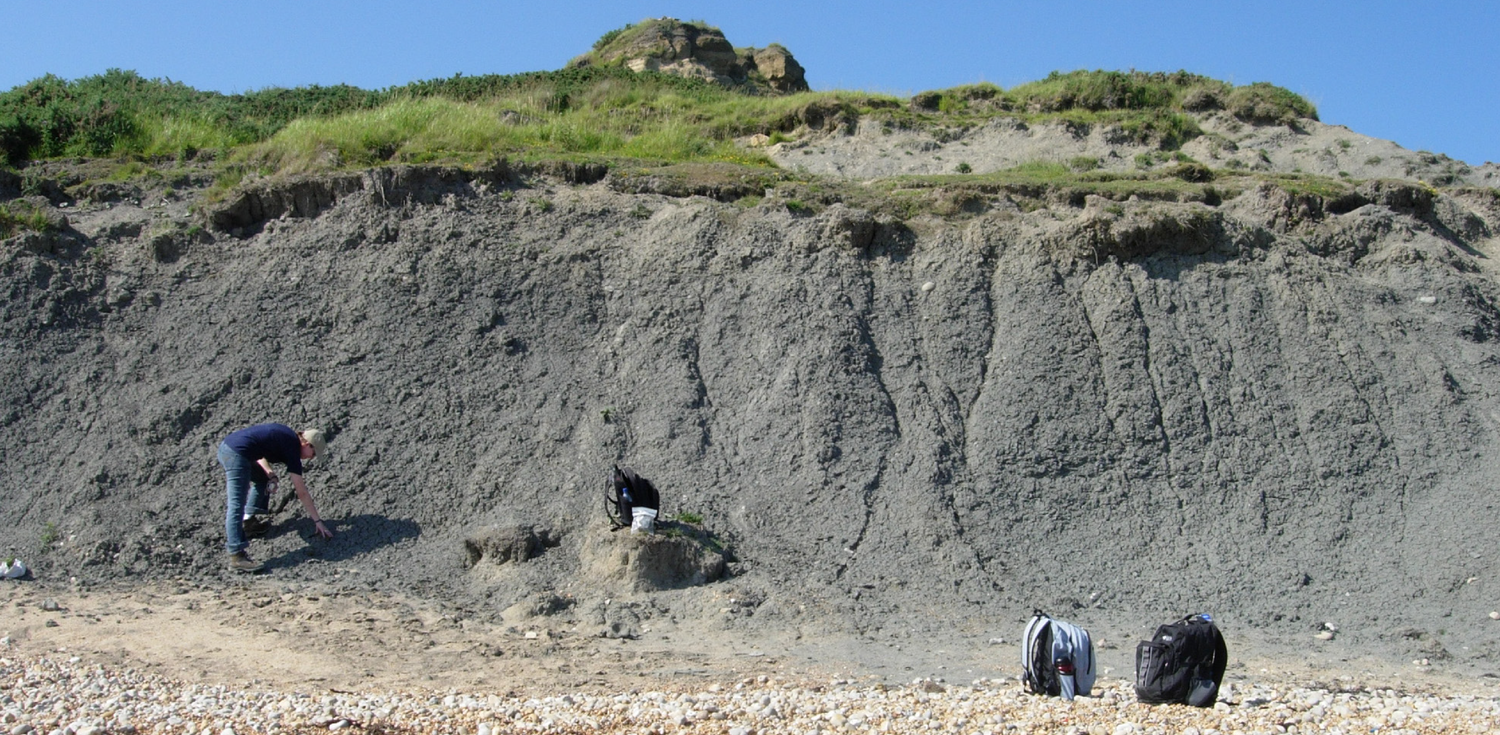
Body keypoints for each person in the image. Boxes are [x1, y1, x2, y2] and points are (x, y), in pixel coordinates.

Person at [216, 423, 334, 572]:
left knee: (263, 480)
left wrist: (269, 473)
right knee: (236, 504)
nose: (311, 458)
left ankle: (249, 524)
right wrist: (318, 521)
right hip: (236, 454)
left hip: (231, 448)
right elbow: (301, 491)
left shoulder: (286, 438)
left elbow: (258, 450)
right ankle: (236, 556)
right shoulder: (291, 446)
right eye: (314, 453)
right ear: (306, 443)